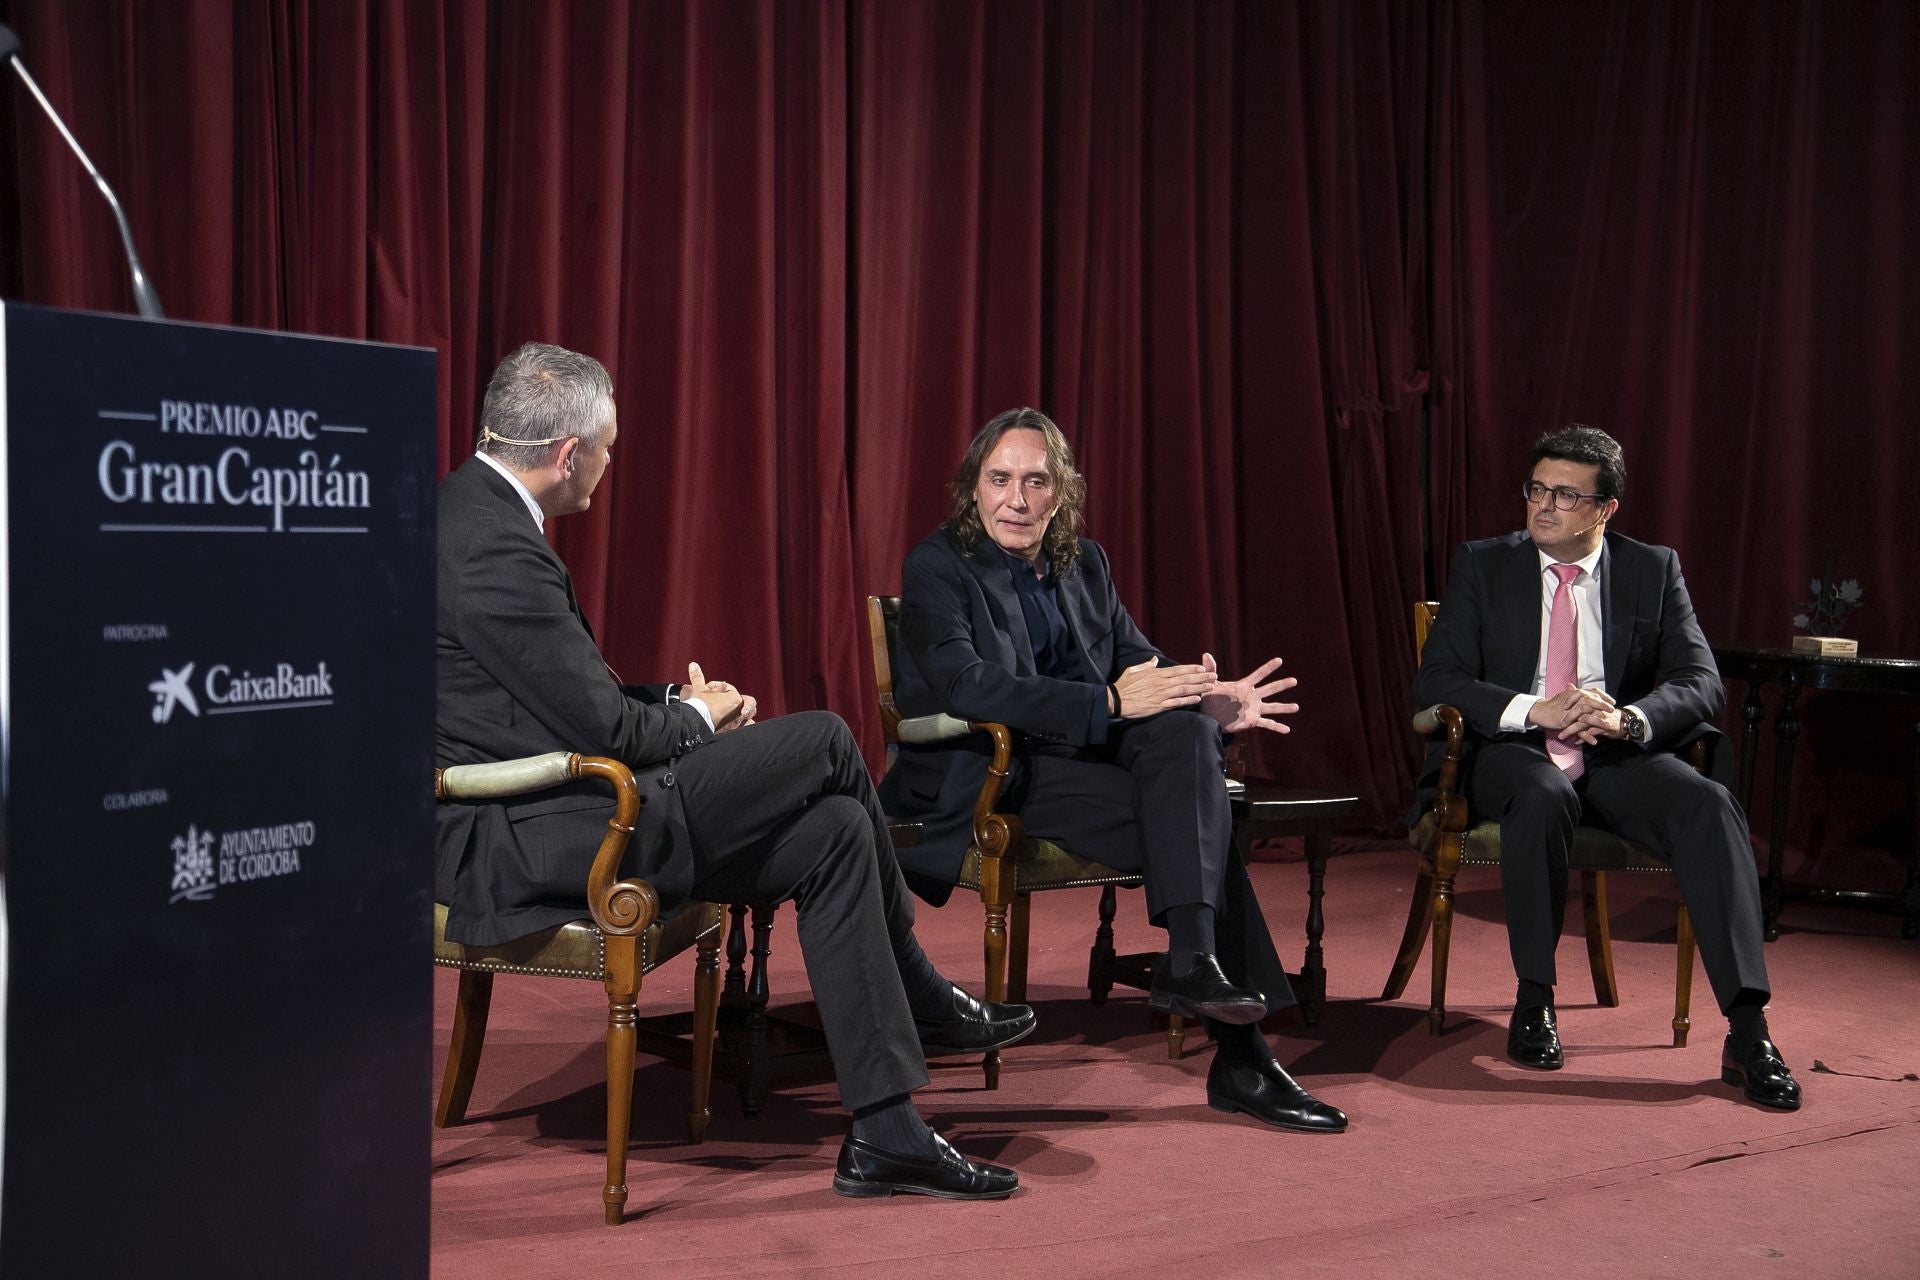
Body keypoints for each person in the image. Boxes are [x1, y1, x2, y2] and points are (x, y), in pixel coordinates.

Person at [437, 342, 1038, 1200]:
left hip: (564, 794)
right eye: (606, 448)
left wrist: (673, 702)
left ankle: (886, 1132)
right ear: (569, 454)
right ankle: (921, 987)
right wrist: (693, 719)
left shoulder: (474, 513)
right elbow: (601, 727)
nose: (608, 465)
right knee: (829, 738)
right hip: (530, 831)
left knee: (831, 833)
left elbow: (544, 696)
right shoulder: (492, 547)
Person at [880, 407, 1348, 1134]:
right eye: (999, 479)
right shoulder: (937, 565)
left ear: (1060, 493)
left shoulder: (1082, 562)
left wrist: (1209, 699)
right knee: (1200, 830)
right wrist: (1106, 700)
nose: (1017, 498)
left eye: (1036, 482)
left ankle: (1195, 964)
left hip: (1078, 765)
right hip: (992, 771)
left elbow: (1139, 661)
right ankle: (1240, 1054)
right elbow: (967, 687)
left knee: (1189, 743)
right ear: (973, 487)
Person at [1412, 424, 1799, 1109]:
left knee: (1707, 804)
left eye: (1565, 495)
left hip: (1615, 752)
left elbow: (1701, 680)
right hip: (1514, 752)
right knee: (1541, 796)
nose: (1543, 506)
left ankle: (1747, 1029)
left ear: (1604, 509)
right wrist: (1537, 710)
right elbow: (1438, 680)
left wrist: (1628, 718)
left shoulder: (1654, 569)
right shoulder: (1483, 564)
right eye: (1536, 489)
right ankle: (1535, 999)